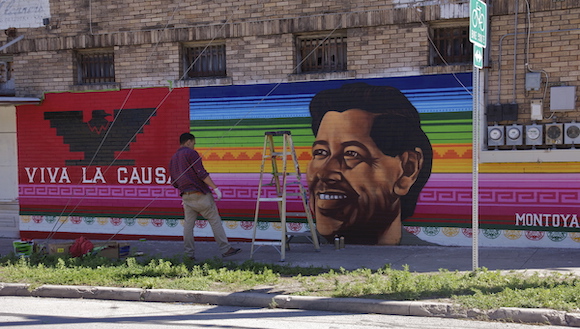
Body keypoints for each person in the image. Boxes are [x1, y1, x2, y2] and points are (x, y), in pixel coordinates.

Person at [307, 83, 433, 245]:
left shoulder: (432, 259)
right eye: (320, 153)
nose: (324, 173)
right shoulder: (293, 247)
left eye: (351, 154)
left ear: (407, 169)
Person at [169, 132, 241, 260]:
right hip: (200, 195)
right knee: (215, 221)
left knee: (188, 226)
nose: (194, 146)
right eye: (193, 143)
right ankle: (225, 249)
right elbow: (201, 173)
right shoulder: (191, 153)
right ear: (189, 142)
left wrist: (185, 191)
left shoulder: (173, 158)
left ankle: (189, 254)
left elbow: (174, 182)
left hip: (186, 197)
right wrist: (215, 188)